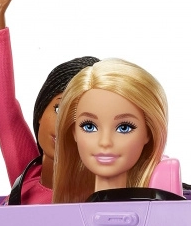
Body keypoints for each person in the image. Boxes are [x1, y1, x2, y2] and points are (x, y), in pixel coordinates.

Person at [0, 0, 97, 204]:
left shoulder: (98, 195)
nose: (66, 125)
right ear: (41, 112)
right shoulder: (27, 175)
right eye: (59, 108)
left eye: (85, 121)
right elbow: (4, 106)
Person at [52, 58, 168, 204]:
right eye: (89, 126)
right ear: (74, 131)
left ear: (148, 133)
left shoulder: (160, 206)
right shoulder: (65, 211)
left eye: (124, 128)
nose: (105, 142)